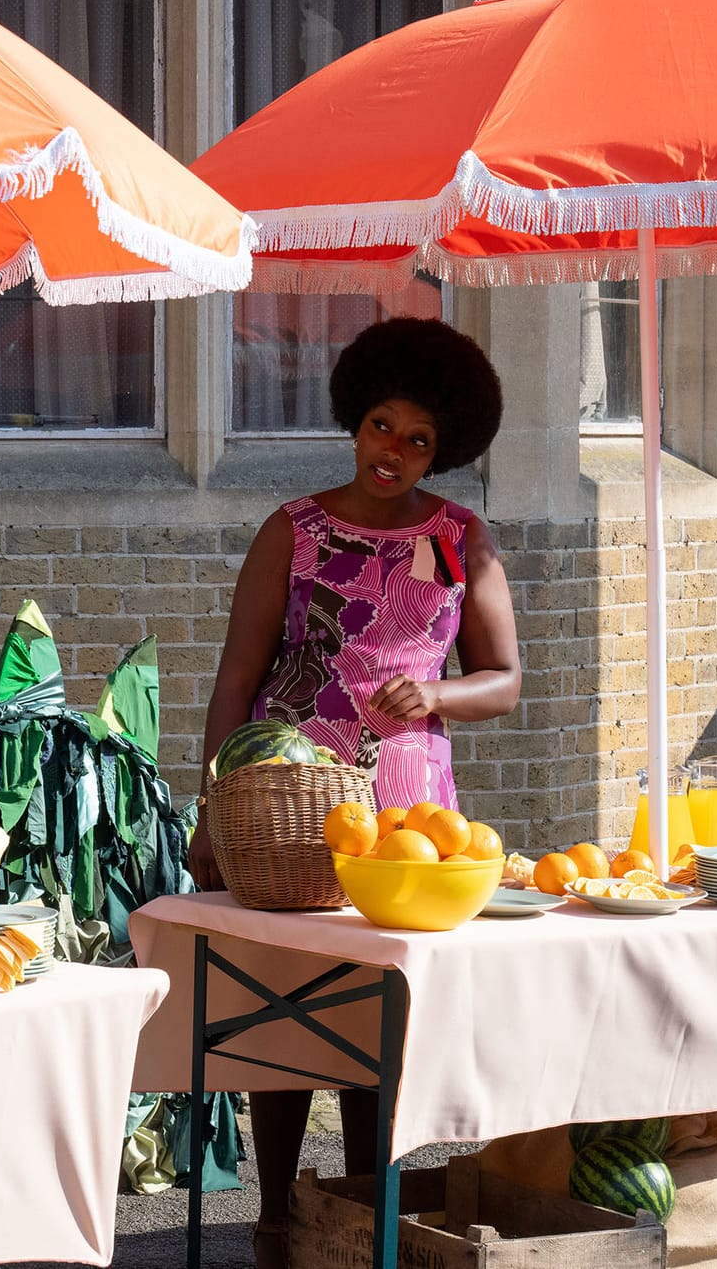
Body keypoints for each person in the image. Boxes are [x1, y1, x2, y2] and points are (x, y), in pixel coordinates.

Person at [191, 317, 520, 1267]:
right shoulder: (293, 532)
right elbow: (234, 681)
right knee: (286, 1008)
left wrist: (440, 690)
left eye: (419, 440)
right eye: (382, 427)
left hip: (411, 819)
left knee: (381, 1017)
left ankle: (365, 1211)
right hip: (291, 806)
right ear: (355, 419)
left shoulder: (461, 540)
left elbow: (504, 678)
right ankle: (275, 1215)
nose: (395, 453)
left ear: (443, 446)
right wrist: (214, 806)